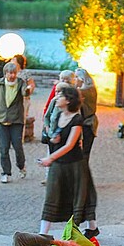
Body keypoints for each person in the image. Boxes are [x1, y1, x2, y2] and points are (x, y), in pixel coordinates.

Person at [37, 86, 95, 235]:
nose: (56, 98)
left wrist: (50, 158)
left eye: (60, 96)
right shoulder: (58, 116)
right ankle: (43, 234)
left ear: (68, 100)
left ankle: (90, 228)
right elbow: (56, 136)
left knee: (80, 196)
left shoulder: (77, 119)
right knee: (52, 195)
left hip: (74, 164)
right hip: (59, 164)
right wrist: (54, 139)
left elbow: (70, 145)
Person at [0, 62, 29, 183]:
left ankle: (21, 166)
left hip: (16, 120)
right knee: (4, 148)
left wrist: (27, 90)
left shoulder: (20, 82)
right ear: (5, 73)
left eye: (14, 73)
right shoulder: (0, 83)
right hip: (1, 120)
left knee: (17, 146)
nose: (12, 75)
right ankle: (6, 172)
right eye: (9, 73)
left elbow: (24, 92)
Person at [74, 68, 100, 237]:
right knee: (84, 161)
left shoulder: (83, 91)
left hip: (87, 127)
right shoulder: (92, 89)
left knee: (83, 161)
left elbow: (76, 99)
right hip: (91, 125)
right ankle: (90, 223)